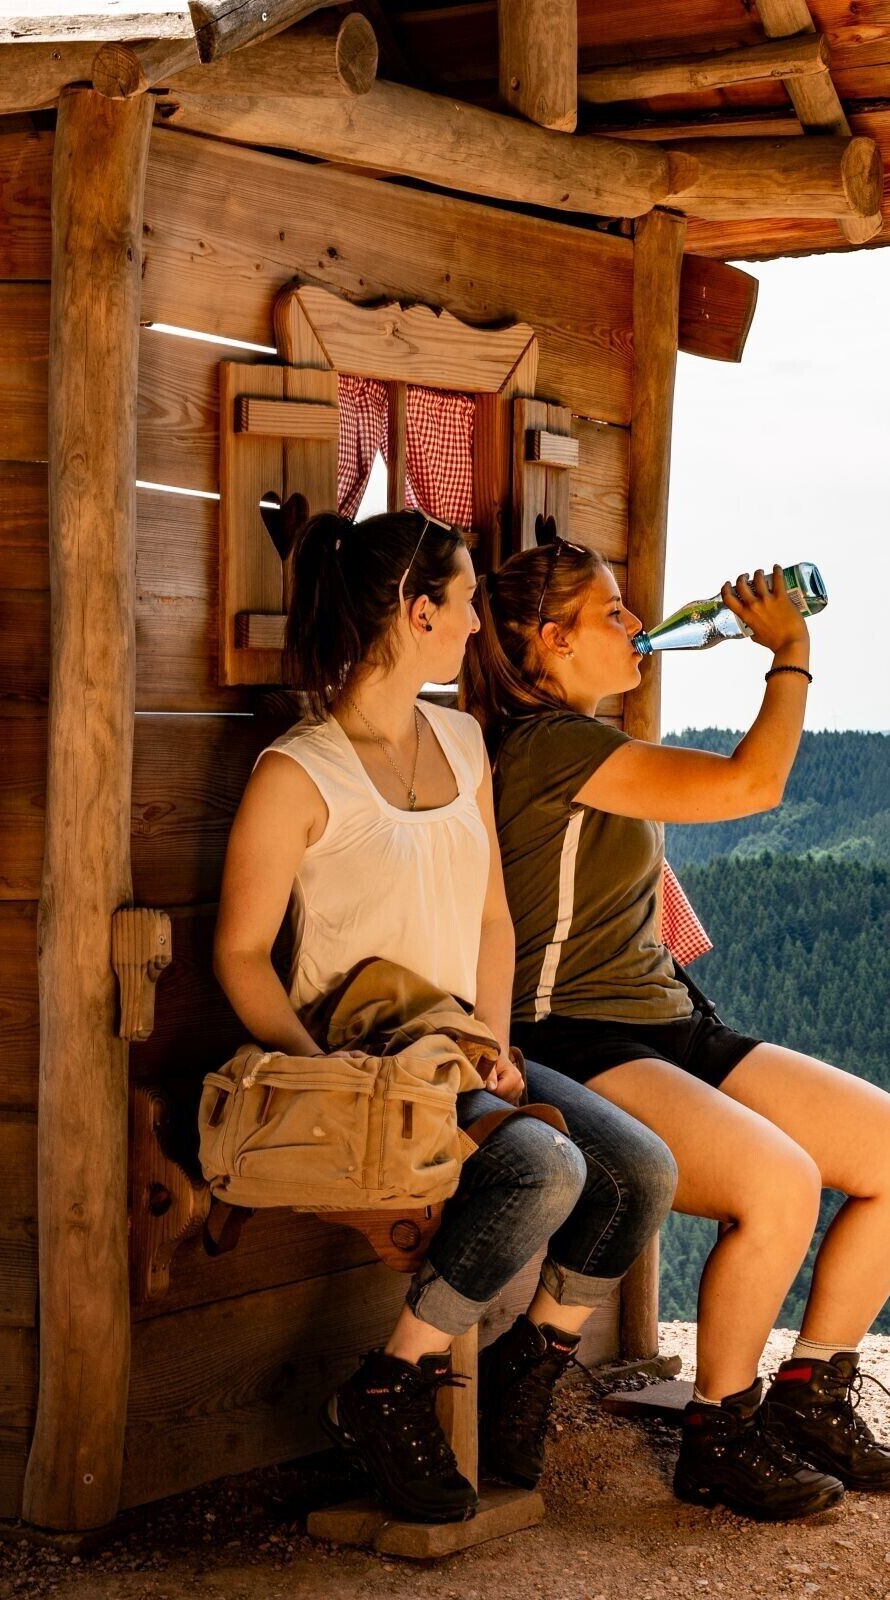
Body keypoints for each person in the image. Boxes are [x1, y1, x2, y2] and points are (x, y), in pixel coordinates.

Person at [212, 508, 677, 1525]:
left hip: (461, 1049)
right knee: (544, 1165)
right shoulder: (298, 773)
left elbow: (493, 918)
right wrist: (322, 1071)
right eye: (464, 602)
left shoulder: (464, 742)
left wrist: (496, 1044)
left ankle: (524, 1366)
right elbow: (240, 957)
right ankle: (390, 1385)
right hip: (361, 1059)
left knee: (640, 1169)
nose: (475, 625)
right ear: (417, 613)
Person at [463, 543, 890, 1522]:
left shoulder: (590, 739)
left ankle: (813, 1395)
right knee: (778, 1183)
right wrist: (789, 652)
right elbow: (748, 785)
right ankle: (721, 1433)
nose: (636, 624)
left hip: (664, 1023)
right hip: (574, 1035)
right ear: (552, 641)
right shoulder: (549, 746)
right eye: (611, 612)